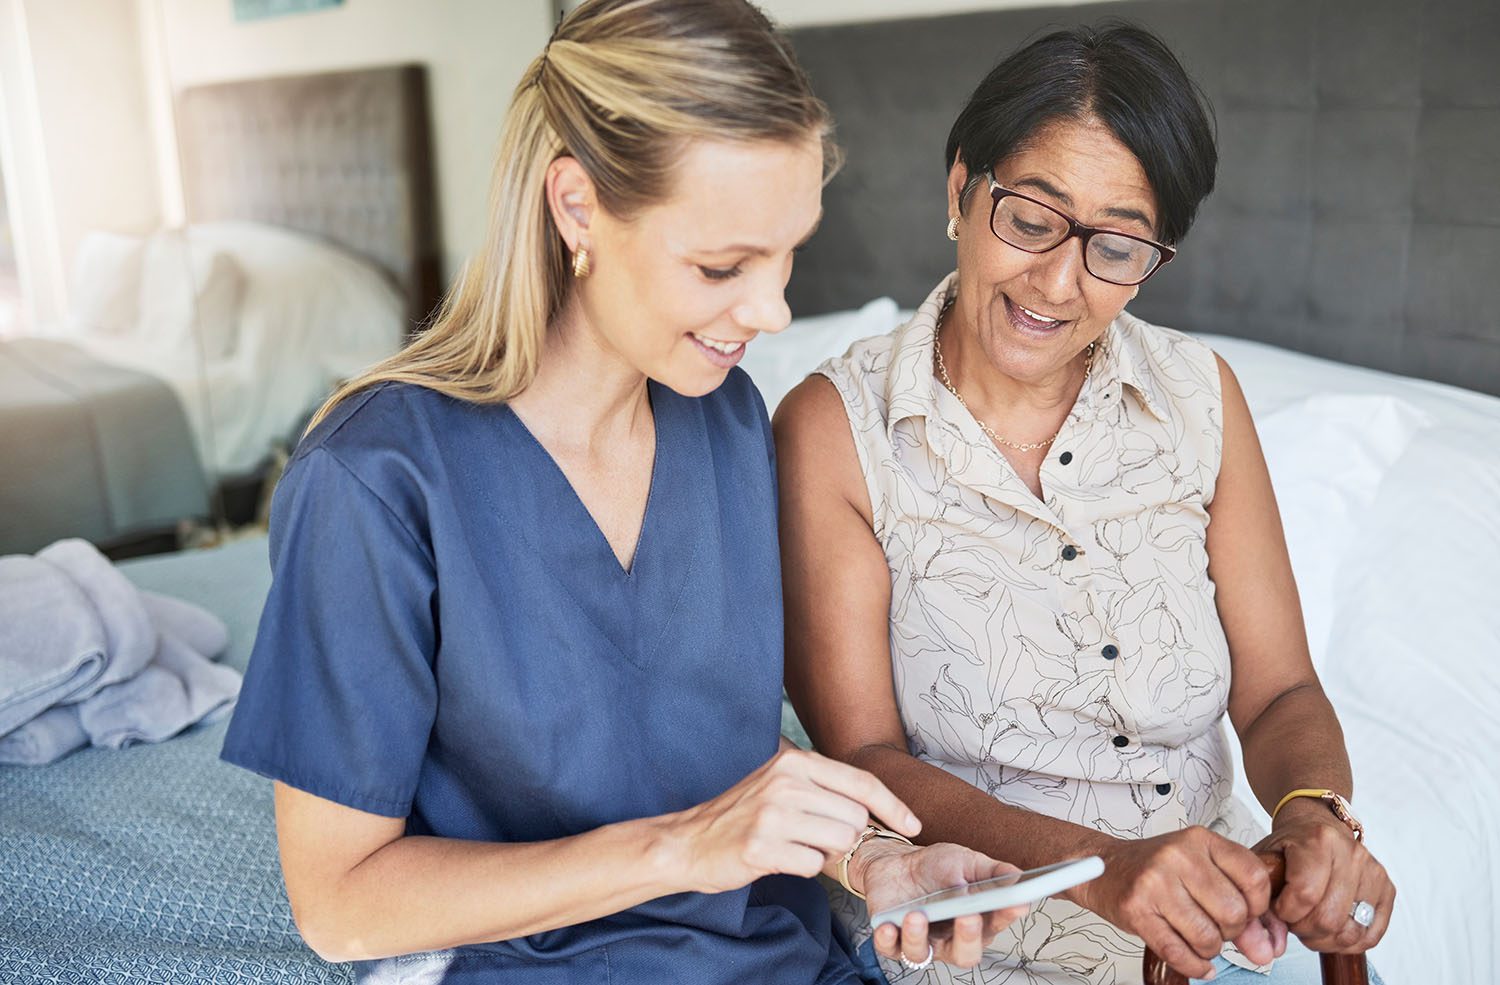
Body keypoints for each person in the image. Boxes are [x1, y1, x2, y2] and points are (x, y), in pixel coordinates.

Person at [218, 2, 1028, 983]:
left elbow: (693, 748)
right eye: (723, 265)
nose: (771, 310)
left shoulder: (724, 421)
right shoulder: (373, 478)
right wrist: (686, 848)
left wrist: (876, 860)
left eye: (789, 254)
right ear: (577, 208)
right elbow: (341, 905)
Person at [773, 22, 1394, 985]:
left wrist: (1314, 814)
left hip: (1220, 931)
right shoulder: (836, 429)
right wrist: (1101, 875)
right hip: (982, 943)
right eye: (1030, 219)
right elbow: (866, 756)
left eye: (1116, 246)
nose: (1058, 283)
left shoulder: (1198, 394)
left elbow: (1278, 693)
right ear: (960, 190)